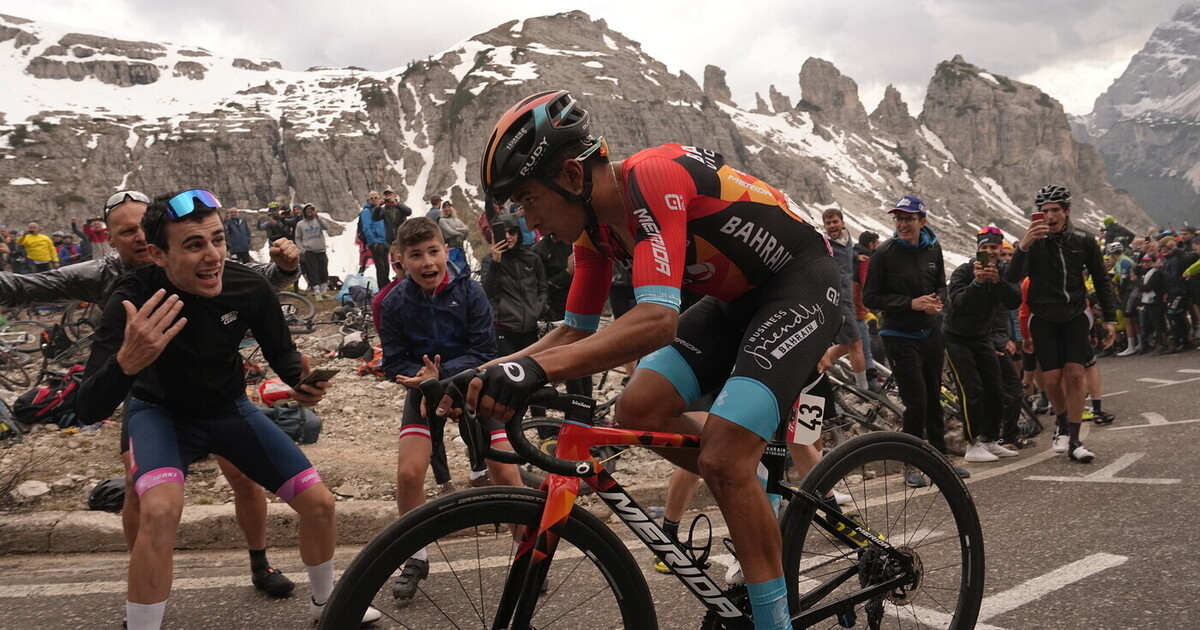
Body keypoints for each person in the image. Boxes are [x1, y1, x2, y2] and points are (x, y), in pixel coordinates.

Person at [451, 90, 841, 630]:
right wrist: (478, 374)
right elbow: (571, 333)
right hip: (734, 302)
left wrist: (532, 371)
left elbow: (659, 320)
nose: (531, 222)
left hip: (799, 283)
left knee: (725, 459)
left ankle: (774, 618)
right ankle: (746, 481)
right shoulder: (595, 231)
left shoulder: (652, 177)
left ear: (569, 175)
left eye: (528, 200)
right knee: (637, 410)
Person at [75, 189, 380, 629]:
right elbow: (87, 407)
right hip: (160, 415)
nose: (213, 256)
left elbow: (285, 355)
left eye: (218, 239)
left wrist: (302, 383)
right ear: (159, 254)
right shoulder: (131, 298)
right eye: (194, 245)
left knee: (320, 505)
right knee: (159, 512)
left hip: (229, 410)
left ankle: (326, 605)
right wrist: (127, 362)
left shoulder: (246, 285)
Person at [0, 190, 306, 601]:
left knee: (243, 476)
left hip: (217, 390)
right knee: (136, 486)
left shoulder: (191, 250)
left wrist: (287, 270)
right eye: (128, 231)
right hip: (147, 394)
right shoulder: (102, 275)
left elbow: (251, 283)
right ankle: (144, 573)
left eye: (145, 225)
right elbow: (27, 286)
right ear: (111, 238)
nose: (141, 237)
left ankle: (260, 561)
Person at [378, 217, 518, 606]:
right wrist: (424, 379)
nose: (427, 262)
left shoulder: (471, 292)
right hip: (424, 391)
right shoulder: (393, 303)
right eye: (416, 255)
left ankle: (528, 555)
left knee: (504, 470)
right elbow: (393, 362)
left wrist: (446, 376)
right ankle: (416, 559)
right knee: (408, 474)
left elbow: (486, 353)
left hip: (474, 388)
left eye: (433, 252)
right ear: (401, 260)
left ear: (446, 251)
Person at [1005, 185, 1116, 463]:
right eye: (1044, 211)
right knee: (1053, 379)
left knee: (1076, 374)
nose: (1050, 215)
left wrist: (1110, 318)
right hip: (1043, 318)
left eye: (1055, 209)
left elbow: (1101, 280)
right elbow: (1011, 276)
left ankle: (1076, 440)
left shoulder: (1084, 240)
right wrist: (1024, 246)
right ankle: (1062, 422)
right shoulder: (1033, 243)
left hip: (1075, 315)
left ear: (1066, 211)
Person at [863, 195, 964, 486]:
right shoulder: (883, 253)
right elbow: (871, 298)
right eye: (898, 218)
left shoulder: (934, 249)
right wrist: (911, 304)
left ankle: (942, 462)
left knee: (934, 398)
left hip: (930, 333)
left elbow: (940, 287)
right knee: (916, 402)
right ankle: (911, 465)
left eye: (908, 218)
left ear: (922, 221)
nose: (902, 223)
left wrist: (937, 302)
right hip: (897, 335)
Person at [943, 226, 1021, 463]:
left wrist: (998, 282)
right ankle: (972, 442)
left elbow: (1013, 300)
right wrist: (976, 283)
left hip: (982, 337)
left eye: (993, 247)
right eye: (984, 248)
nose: (989, 252)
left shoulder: (1004, 272)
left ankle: (989, 439)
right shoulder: (963, 272)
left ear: (1000, 249)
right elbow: (955, 303)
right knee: (972, 389)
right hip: (956, 337)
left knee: (995, 389)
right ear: (977, 250)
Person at [821, 209, 871, 390]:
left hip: (849, 299)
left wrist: (856, 258)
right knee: (856, 343)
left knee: (845, 345)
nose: (832, 226)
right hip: (836, 300)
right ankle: (864, 390)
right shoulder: (824, 244)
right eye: (828, 223)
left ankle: (816, 366)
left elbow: (846, 256)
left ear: (842, 223)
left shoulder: (847, 240)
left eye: (834, 222)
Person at [294, 203, 332, 300]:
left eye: (311, 209)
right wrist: (302, 250)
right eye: (307, 210)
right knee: (313, 271)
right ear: (304, 212)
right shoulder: (300, 224)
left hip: (321, 250)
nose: (309, 212)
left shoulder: (318, 220)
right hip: (309, 251)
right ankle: (317, 292)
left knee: (323, 270)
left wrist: (318, 217)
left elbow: (326, 227)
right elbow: (297, 239)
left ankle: (323, 291)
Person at [436, 201, 470, 272]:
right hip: (451, 247)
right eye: (445, 208)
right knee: (454, 267)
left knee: (464, 266)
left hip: (460, 246)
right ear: (443, 210)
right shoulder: (442, 220)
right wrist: (461, 233)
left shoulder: (457, 220)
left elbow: (466, 230)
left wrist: (456, 229)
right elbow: (450, 232)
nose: (447, 209)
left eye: (449, 207)